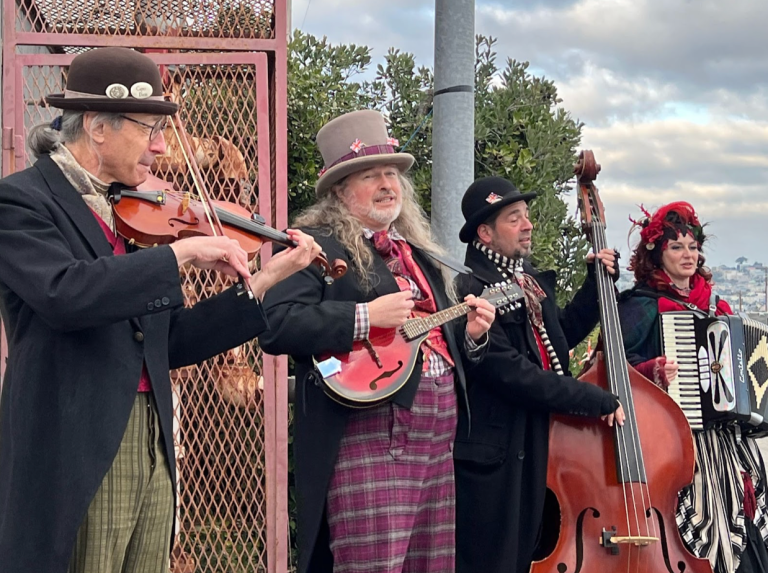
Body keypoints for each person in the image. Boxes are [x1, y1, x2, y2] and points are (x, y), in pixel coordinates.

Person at [0, 47, 321, 573]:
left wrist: (264, 281)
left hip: (152, 432)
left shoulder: (127, 211)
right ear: (99, 127)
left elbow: (170, 342)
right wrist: (180, 253)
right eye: (149, 129)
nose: (160, 147)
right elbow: (63, 293)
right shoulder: (21, 200)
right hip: (78, 440)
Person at [259, 109, 496, 573]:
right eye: (371, 175)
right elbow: (277, 324)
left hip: (436, 433)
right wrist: (364, 317)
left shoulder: (418, 251)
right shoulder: (314, 244)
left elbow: (436, 338)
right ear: (341, 191)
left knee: (431, 566)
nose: (388, 183)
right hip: (369, 429)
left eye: (391, 173)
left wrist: (470, 338)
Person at [453, 176, 626, 573]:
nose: (528, 224)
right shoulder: (469, 288)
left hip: (541, 446)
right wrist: (593, 399)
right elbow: (513, 373)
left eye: (526, 216)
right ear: (485, 232)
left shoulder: (527, 281)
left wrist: (596, 286)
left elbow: (558, 343)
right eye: (515, 218)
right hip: (495, 461)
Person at [618, 201, 768, 573]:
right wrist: (653, 370)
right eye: (676, 247)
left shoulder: (717, 306)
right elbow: (613, 367)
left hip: (727, 442)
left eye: (692, 246)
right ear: (656, 253)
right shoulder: (642, 306)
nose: (687, 255)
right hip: (678, 439)